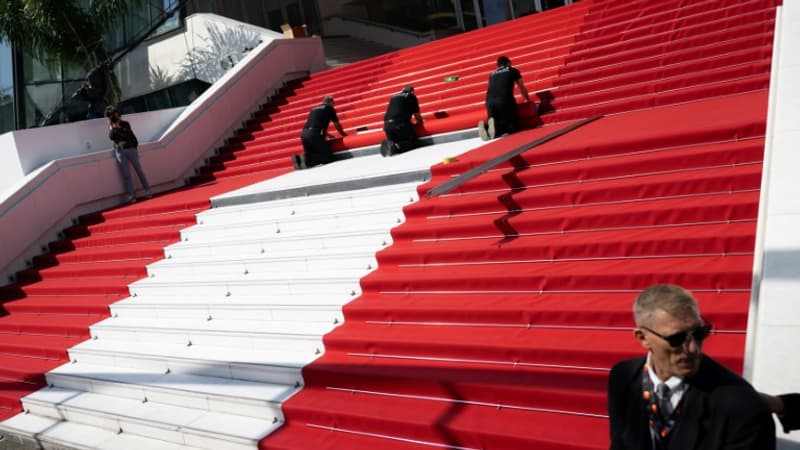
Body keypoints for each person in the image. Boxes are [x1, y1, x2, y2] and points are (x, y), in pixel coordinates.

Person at [607, 284, 775, 450]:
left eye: (699, 334)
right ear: (643, 338)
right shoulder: (622, 376)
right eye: (676, 338)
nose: (693, 348)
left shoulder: (742, 407)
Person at [478, 55, 531, 141]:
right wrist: (527, 99)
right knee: (513, 127)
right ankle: (498, 128)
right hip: (504, 100)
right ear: (509, 63)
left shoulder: (491, 74)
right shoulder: (512, 70)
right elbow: (521, 86)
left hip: (489, 102)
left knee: (496, 122)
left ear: (497, 66)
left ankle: (487, 127)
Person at [106, 106, 151, 204]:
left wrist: (119, 127)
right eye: (111, 115)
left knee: (139, 170)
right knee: (126, 174)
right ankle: (131, 194)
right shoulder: (111, 126)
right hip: (119, 151)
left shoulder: (125, 124)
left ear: (118, 113)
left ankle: (147, 190)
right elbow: (112, 137)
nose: (114, 116)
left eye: (115, 113)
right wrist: (112, 127)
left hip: (130, 148)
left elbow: (128, 136)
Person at [292, 96, 347, 170]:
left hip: (304, 134)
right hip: (314, 134)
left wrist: (330, 136)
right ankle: (306, 159)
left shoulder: (314, 109)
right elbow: (337, 125)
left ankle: (299, 159)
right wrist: (343, 134)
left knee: (312, 153)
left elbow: (316, 124)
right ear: (331, 103)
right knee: (328, 157)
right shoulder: (329, 108)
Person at [380, 85, 424, 157]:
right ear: (412, 91)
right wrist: (421, 122)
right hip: (400, 123)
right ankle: (396, 146)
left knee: (398, 140)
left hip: (387, 125)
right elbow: (416, 114)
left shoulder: (393, 96)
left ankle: (391, 143)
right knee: (415, 143)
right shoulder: (411, 96)